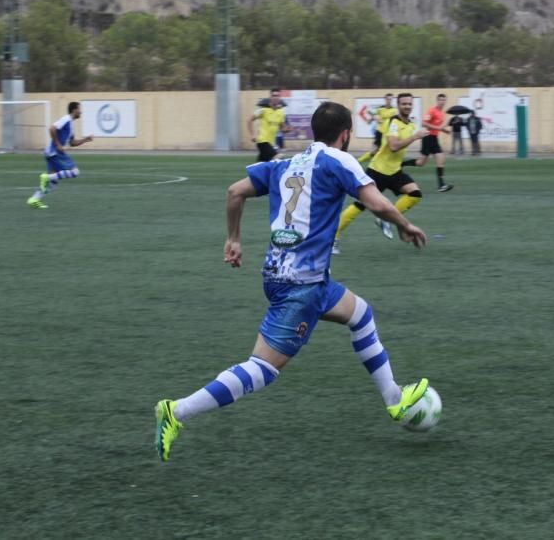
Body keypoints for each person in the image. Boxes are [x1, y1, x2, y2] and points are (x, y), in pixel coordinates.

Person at [153, 101, 430, 462]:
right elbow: (376, 203)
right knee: (263, 369)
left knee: (360, 314)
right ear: (344, 134)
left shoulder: (284, 164)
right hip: (302, 284)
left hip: (288, 275)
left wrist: (233, 239)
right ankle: (176, 411)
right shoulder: (338, 159)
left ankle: (394, 399)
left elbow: (234, 192)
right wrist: (405, 224)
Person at [334, 93, 429, 251]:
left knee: (415, 194)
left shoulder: (411, 124)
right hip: (378, 170)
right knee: (360, 205)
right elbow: (393, 147)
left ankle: (386, 220)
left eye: (409, 104)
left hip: (395, 171)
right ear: (398, 106)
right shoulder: (394, 122)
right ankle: (334, 238)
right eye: (404, 104)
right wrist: (414, 137)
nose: (407, 106)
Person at [26, 101, 93, 209]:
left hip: (51, 153)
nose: (81, 112)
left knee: (52, 181)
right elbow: (52, 128)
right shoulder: (66, 119)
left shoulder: (70, 125)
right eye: (80, 109)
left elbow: (72, 143)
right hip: (55, 152)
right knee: (75, 172)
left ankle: (34, 199)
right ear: (74, 110)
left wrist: (86, 139)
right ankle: (46, 177)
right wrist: (57, 144)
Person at [402, 93, 453, 192]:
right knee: (421, 163)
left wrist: (444, 130)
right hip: (427, 137)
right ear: (437, 101)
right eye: (440, 100)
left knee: (441, 159)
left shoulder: (442, 113)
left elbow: (437, 126)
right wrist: (439, 128)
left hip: (434, 138)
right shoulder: (432, 110)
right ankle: (401, 164)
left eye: (444, 100)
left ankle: (441, 185)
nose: (442, 102)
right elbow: (424, 123)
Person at [248, 88, 290, 162]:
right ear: (270, 97)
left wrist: (287, 129)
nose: (275, 97)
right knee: (277, 157)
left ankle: (253, 173)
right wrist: (252, 135)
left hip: (271, 143)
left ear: (279, 98)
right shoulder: (263, 110)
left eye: (277, 96)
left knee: (261, 165)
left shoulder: (281, 112)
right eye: (274, 95)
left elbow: (282, 128)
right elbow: (249, 120)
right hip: (262, 141)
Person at [358, 93, 396, 164]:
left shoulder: (394, 110)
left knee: (388, 151)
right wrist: (373, 118)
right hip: (380, 132)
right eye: (388, 99)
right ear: (385, 99)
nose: (389, 101)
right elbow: (374, 118)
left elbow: (395, 121)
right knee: (374, 150)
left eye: (391, 99)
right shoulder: (380, 109)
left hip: (388, 134)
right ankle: (359, 161)